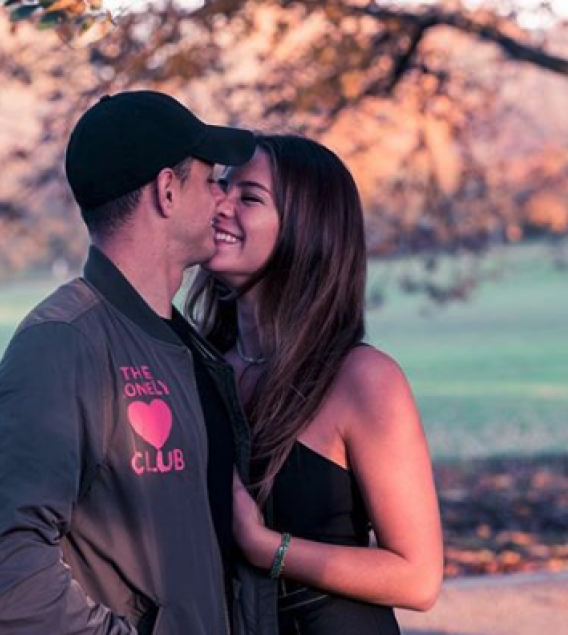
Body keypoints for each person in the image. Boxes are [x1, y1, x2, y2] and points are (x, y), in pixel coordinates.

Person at [0, 91, 278, 635]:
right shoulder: (62, 344)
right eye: (211, 181)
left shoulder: (184, 345)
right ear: (168, 190)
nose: (222, 199)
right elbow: (4, 570)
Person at [187, 134, 443, 635]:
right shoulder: (200, 364)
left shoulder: (363, 380)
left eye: (250, 197)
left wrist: (266, 548)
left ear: (307, 228)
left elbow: (418, 578)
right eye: (223, 186)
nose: (221, 204)